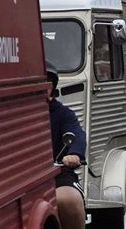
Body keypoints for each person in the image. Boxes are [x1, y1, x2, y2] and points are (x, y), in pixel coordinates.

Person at [46, 61, 87, 229]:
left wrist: (74, 154)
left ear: (52, 87)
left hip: (58, 172)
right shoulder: (12, 112)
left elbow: (76, 134)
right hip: (19, 176)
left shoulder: (63, 114)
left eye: (45, 82)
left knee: (68, 199)